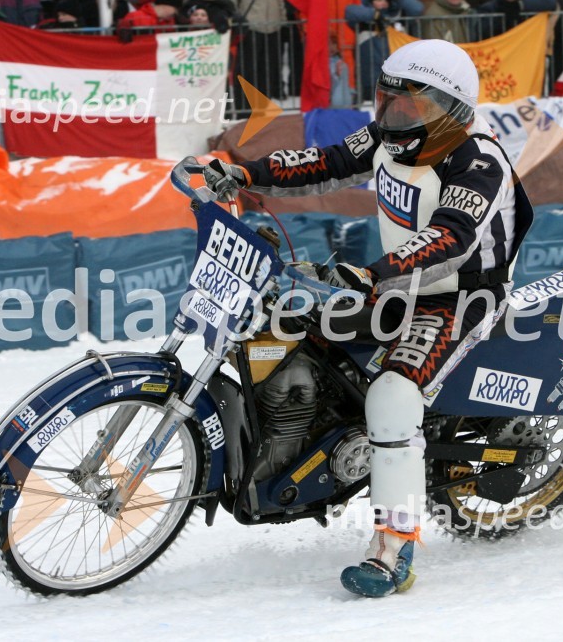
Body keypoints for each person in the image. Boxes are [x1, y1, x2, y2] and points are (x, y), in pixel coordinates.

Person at [197, 39, 534, 598]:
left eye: (413, 106)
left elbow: (450, 238)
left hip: (459, 297)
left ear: (451, 109)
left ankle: (393, 551)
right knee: (289, 324)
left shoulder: (477, 160)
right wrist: (241, 172)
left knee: (393, 397)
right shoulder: (384, 138)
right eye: (388, 101)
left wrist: (374, 274)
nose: (395, 116)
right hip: (394, 283)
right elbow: (324, 164)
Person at [346, 0, 422, 101]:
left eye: (386, 0)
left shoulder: (398, 16)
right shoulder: (364, 19)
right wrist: (374, 15)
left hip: (398, 76)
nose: (383, 3)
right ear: (371, 1)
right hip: (371, 76)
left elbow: (417, 9)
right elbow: (349, 12)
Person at [475, 0, 557, 39]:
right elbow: (481, 31)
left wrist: (520, 5)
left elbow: (551, 3)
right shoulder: (489, 8)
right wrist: (503, 17)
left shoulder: (527, 3)